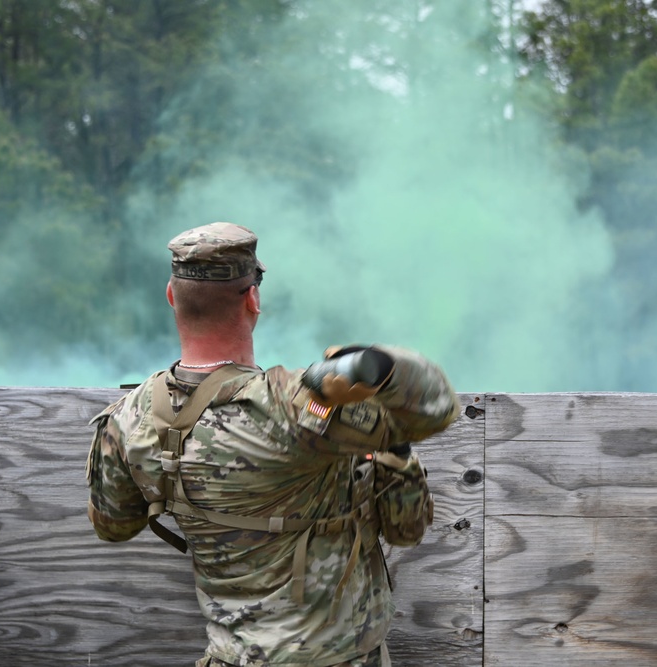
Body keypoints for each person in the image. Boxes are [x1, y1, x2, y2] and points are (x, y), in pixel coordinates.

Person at [86, 222, 460, 666]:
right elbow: (436, 405)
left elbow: (113, 524)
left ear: (171, 296)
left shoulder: (128, 417)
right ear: (253, 299)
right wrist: (367, 363)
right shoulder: (291, 407)